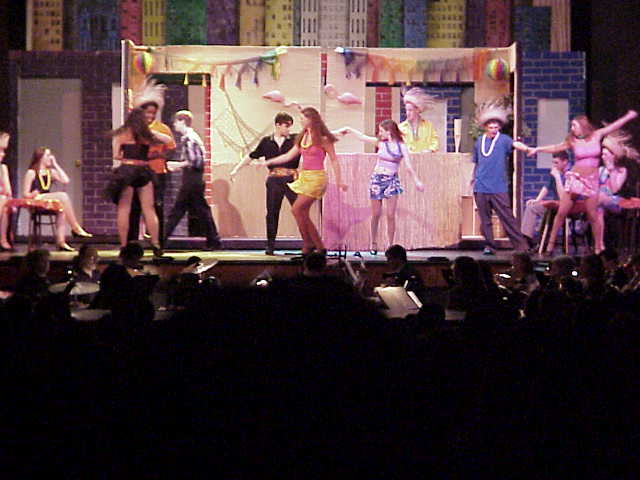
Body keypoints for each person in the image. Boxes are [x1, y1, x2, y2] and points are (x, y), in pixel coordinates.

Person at [529, 110, 638, 254]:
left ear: (582, 126)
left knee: (593, 214)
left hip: (591, 180)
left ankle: (598, 247)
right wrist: (537, 149)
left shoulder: (596, 135)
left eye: (574, 125)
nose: (572, 128)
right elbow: (556, 147)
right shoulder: (573, 141)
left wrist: (628, 117)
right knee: (562, 212)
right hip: (576, 178)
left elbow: (613, 126)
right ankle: (550, 245)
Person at [264, 107, 347, 255]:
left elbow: (334, 160)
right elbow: (288, 156)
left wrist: (339, 181)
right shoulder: (303, 137)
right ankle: (319, 246)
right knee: (302, 212)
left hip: (316, 178)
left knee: (297, 209)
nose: (300, 121)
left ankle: (309, 243)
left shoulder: (323, 139)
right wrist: (269, 162)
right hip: (304, 177)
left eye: (302, 118)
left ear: (311, 119)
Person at [338, 120, 424, 254]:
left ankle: (391, 245)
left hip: (391, 181)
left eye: (382, 131)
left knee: (390, 215)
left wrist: (416, 181)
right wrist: (349, 129)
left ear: (389, 131)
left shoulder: (401, 146)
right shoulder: (381, 143)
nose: (379, 133)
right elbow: (363, 137)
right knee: (376, 214)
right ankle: (373, 242)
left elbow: (408, 166)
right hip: (377, 180)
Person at [230, 112, 299, 255]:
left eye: (290, 126)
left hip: (291, 179)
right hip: (274, 180)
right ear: (278, 125)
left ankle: (309, 244)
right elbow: (252, 156)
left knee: (300, 211)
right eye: (286, 126)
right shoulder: (267, 141)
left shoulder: (294, 139)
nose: (288, 129)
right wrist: (236, 169)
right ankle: (270, 246)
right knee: (272, 213)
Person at [107, 107, 174, 256]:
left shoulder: (122, 134)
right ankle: (156, 244)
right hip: (143, 170)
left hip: (126, 170)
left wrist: (126, 156)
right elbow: (168, 140)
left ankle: (124, 245)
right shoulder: (146, 134)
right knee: (148, 209)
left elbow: (116, 155)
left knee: (124, 208)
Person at [471, 100, 532, 255]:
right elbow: (477, 163)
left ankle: (521, 247)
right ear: (485, 127)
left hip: (498, 186)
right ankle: (490, 246)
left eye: (496, 127)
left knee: (507, 217)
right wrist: (472, 180)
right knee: (485, 220)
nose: (493, 130)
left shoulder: (504, 140)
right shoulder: (479, 142)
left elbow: (515, 144)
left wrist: (527, 149)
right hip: (481, 186)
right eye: (491, 127)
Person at [128, 78, 176, 246]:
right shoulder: (134, 129)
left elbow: (171, 147)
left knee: (157, 206)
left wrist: (160, 155)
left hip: (157, 172)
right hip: (137, 173)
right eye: (147, 113)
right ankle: (132, 242)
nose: (150, 116)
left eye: (152, 113)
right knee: (134, 208)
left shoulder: (162, 129)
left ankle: (158, 242)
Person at [164, 110, 221, 250]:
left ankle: (160, 239)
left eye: (176, 121)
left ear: (183, 121)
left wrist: (177, 165)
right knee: (197, 210)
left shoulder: (189, 138)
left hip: (192, 179)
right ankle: (213, 241)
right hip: (193, 179)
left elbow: (195, 161)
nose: (174, 125)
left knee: (180, 210)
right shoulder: (191, 137)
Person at [22, 146, 93, 252]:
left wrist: (55, 164)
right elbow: (25, 194)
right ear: (41, 157)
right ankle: (75, 228)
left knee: (61, 209)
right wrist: (31, 194)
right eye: (48, 155)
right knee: (62, 196)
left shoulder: (50, 172)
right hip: (36, 200)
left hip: (47, 201)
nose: (50, 157)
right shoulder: (31, 172)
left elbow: (66, 180)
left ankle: (61, 242)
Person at [521, 151, 570, 249]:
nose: (554, 165)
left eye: (556, 163)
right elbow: (546, 187)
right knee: (532, 207)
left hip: (568, 207)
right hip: (555, 206)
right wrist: (537, 200)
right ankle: (526, 240)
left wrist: (557, 177)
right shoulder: (555, 173)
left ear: (565, 162)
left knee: (549, 212)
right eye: (553, 162)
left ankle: (543, 242)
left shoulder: (570, 174)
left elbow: (563, 198)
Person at [397, 87, 439, 153]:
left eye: (410, 110)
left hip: (425, 158)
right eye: (406, 110)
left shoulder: (428, 126)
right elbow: (397, 145)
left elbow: (435, 142)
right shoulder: (400, 128)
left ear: (417, 110)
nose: (407, 113)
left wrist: (429, 150)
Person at [0, 132, 14, 251]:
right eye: (0, 150)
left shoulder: (3, 168)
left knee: (5, 205)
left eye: (3, 150)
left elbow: (8, 189)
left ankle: (3, 239)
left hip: (2, 199)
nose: (3, 154)